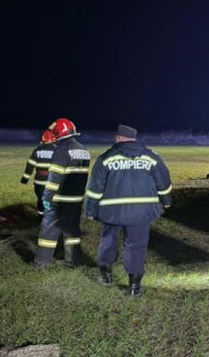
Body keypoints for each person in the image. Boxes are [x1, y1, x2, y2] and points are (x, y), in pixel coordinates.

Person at [85, 125, 173, 297]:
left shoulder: (106, 158)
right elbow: (163, 181)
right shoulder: (151, 157)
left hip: (111, 211)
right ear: (134, 138)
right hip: (141, 212)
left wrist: (90, 210)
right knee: (136, 245)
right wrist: (166, 201)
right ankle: (134, 287)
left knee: (108, 239)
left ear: (119, 138)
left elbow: (95, 188)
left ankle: (106, 276)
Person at [34, 118, 91, 269]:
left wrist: (47, 197)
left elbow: (54, 179)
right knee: (72, 230)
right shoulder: (84, 150)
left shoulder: (60, 151)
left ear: (59, 133)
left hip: (59, 200)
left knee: (48, 230)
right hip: (76, 199)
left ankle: (42, 262)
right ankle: (73, 260)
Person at [21, 130, 57, 214]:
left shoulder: (37, 151)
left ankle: (40, 217)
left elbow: (30, 165)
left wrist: (25, 179)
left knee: (41, 199)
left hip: (39, 182)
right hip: (53, 182)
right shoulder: (58, 151)